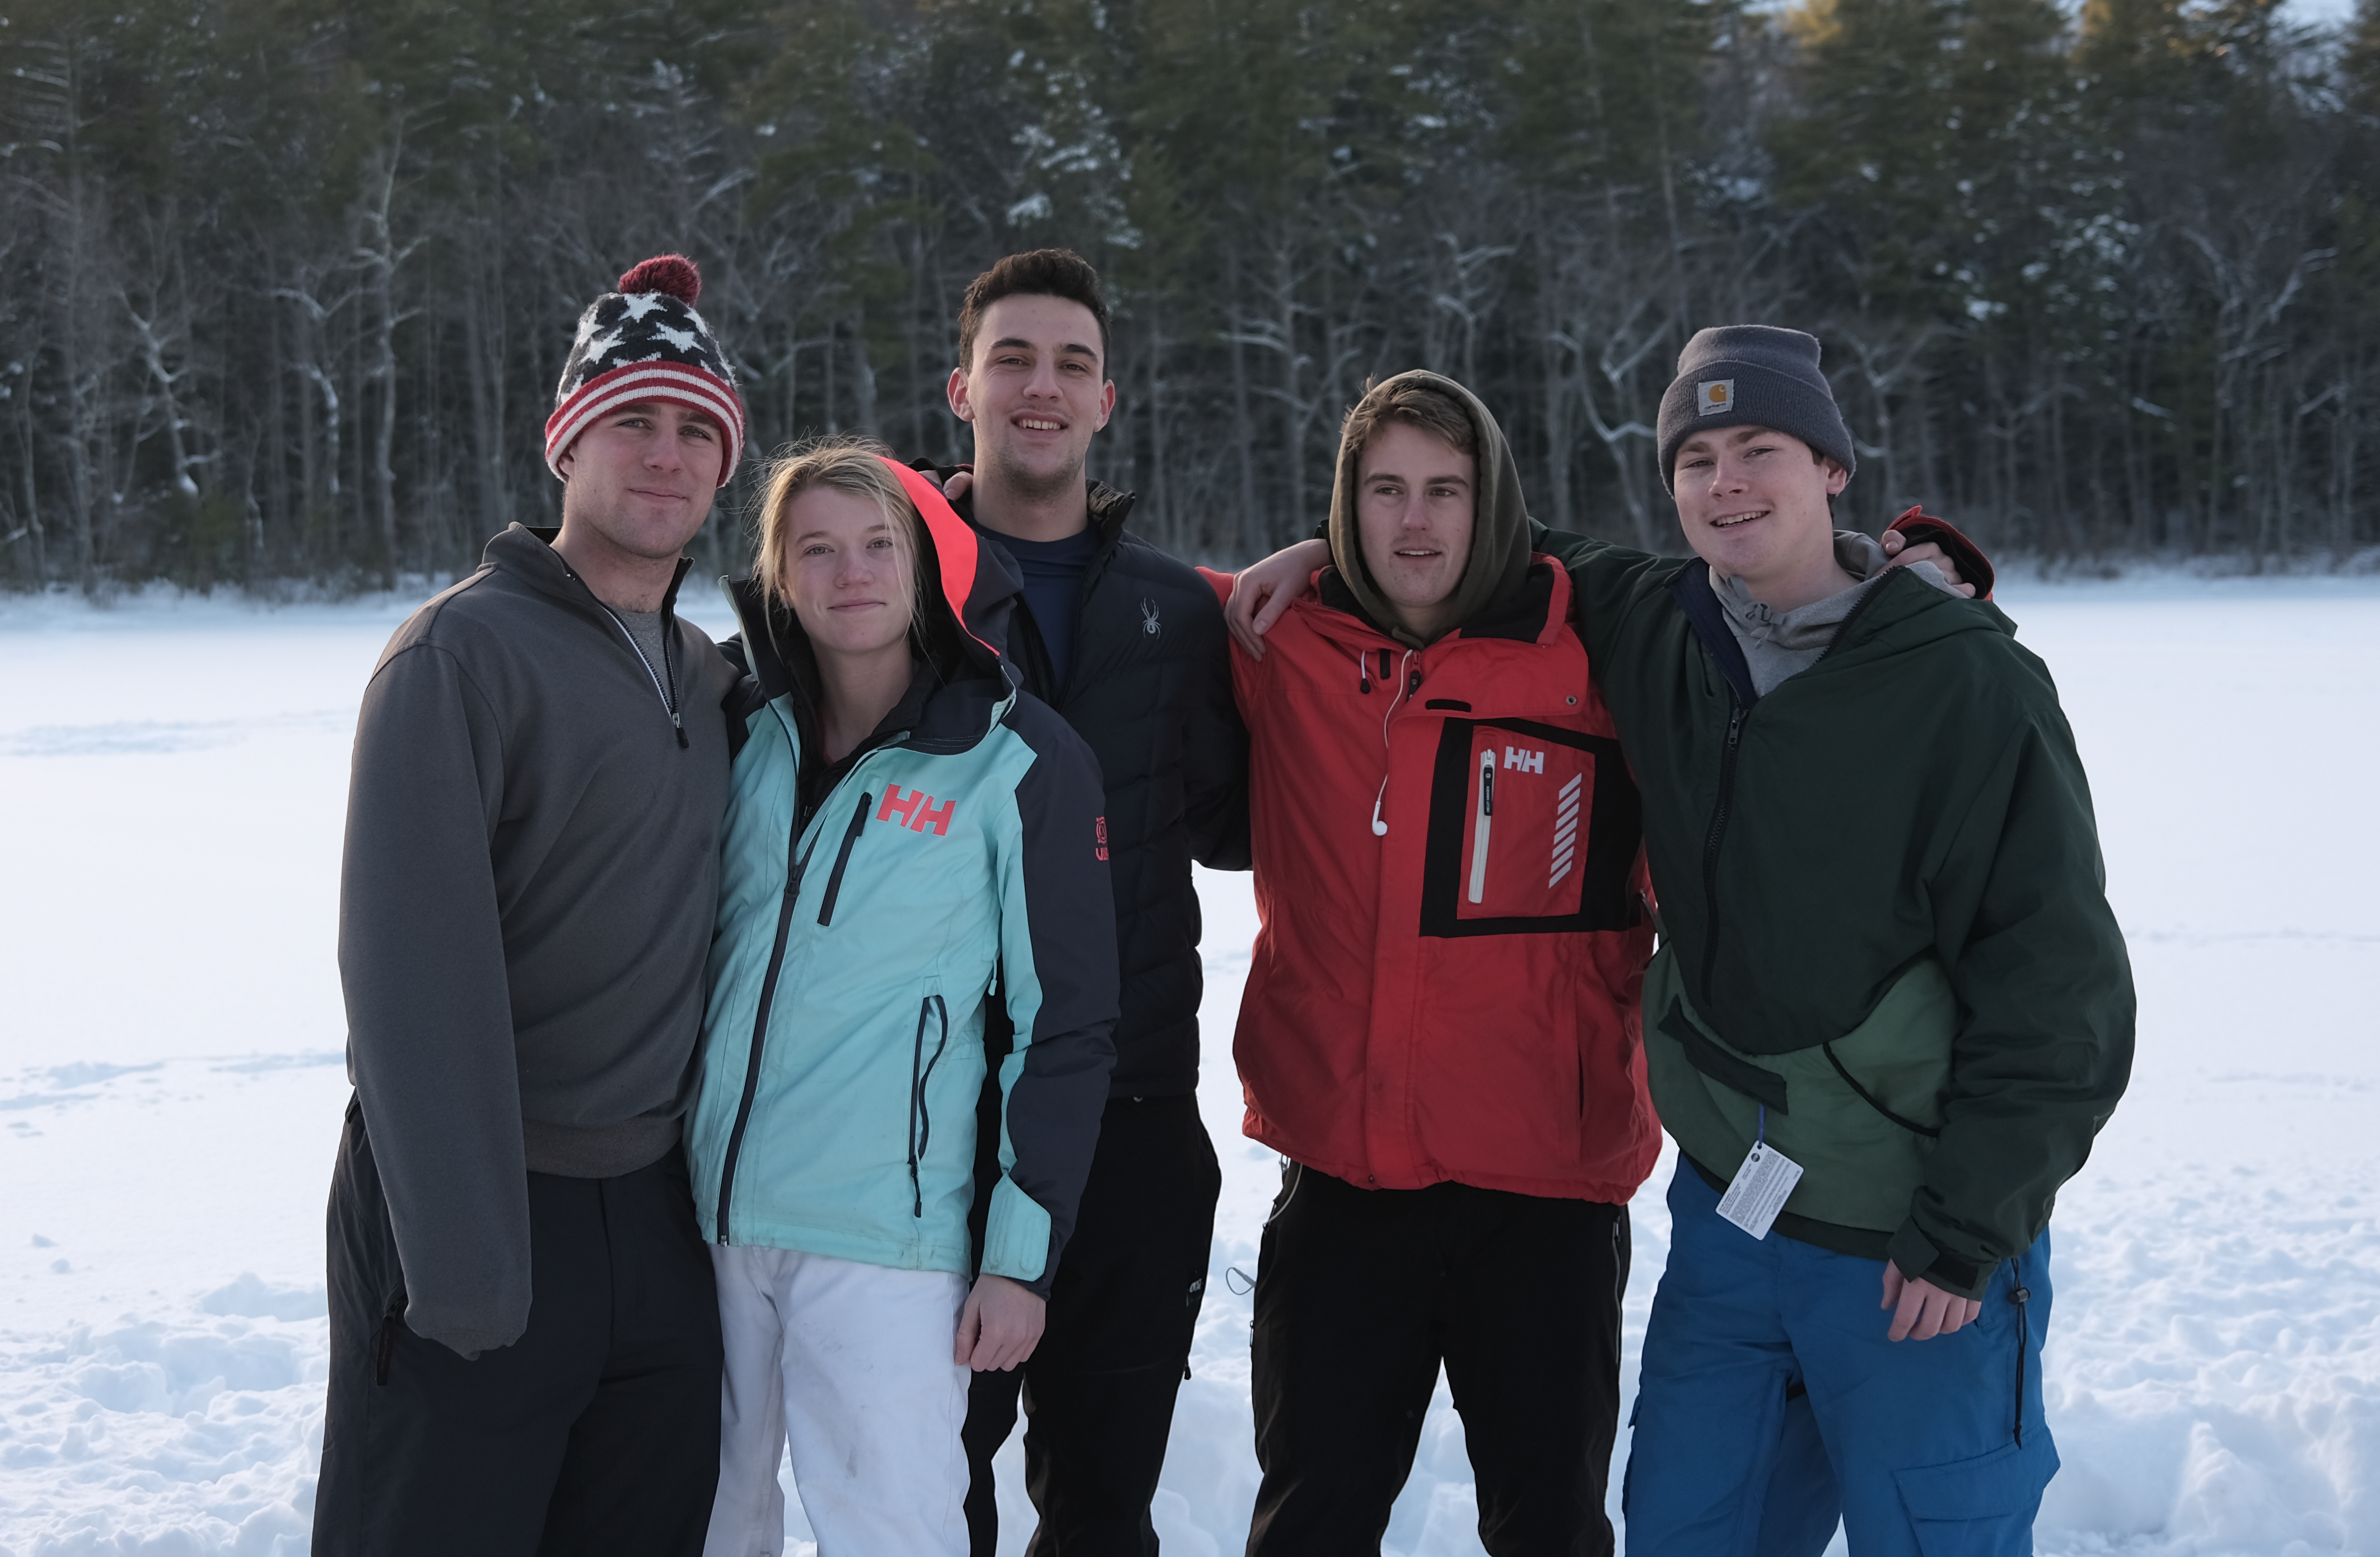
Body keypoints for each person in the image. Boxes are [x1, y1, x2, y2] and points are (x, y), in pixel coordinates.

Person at [1233, 325, 2132, 1557]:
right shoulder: (1660, 625)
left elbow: (2061, 983)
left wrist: (1971, 1227)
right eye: (1697, 458)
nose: (1726, 483)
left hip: (1909, 1233)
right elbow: (1481, 546)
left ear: (1832, 467)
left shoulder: (1964, 681)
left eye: (1758, 448)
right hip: (1735, 1217)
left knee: (1937, 1536)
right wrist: (1324, 550)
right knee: (1683, 1532)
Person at [316, 254, 752, 1557]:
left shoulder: (708, 678)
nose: (665, 454)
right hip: (481, 1209)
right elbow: (407, 976)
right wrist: (461, 1259)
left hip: (658, 1221)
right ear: (568, 442)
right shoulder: (462, 654)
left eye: (696, 430)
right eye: (634, 419)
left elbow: (894, 601)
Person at [1209, 371, 1661, 1557]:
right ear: (1345, 506)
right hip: (1347, 1185)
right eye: (1385, 490)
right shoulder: (1277, 640)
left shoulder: (1593, 653)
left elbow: (1772, 607)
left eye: (1447, 490)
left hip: (1546, 1193)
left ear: (1493, 501)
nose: (1416, 522)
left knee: (1551, 1524)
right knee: (1312, 1518)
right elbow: (1078, 588)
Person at [692, 440, 1122, 1557]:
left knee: (895, 1535)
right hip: (708, 1225)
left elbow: (1065, 1020)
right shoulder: (741, 732)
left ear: (929, 563)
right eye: (817, 549)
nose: (853, 573)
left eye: (881, 543)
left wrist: (1020, 1258)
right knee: (704, 1526)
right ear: (780, 574)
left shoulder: (1014, 755)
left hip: (882, 1242)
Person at [935, 249, 1249, 1557]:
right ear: (962, 389)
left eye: (1071, 362)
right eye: (1013, 358)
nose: (1041, 387)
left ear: (1109, 400)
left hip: (1132, 1123)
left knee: (1103, 1509)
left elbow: (1239, 822)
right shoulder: (884, 595)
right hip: (935, 1126)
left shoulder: (1180, 613)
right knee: (920, 1492)